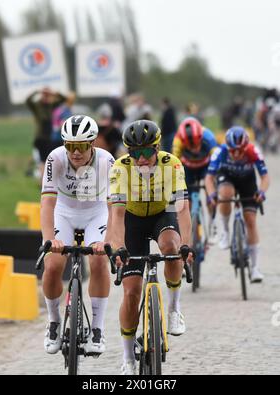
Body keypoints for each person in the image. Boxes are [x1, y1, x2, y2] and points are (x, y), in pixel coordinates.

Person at [109, 120, 194, 375]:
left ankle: (174, 308)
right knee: (132, 292)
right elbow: (117, 215)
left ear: (157, 148)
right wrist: (119, 247)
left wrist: (187, 244)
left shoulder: (172, 164)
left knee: (171, 246)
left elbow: (183, 209)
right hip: (132, 220)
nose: (142, 159)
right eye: (135, 153)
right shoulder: (120, 168)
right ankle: (127, 357)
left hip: (162, 213)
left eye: (147, 152)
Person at [41, 115, 115, 356]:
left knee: (98, 261)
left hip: (96, 212)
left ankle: (97, 328)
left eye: (81, 146)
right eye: (70, 146)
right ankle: (53, 321)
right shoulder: (55, 158)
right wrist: (49, 240)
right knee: (52, 265)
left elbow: (115, 206)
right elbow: (47, 204)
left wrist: (108, 240)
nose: (75, 152)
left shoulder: (107, 160)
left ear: (92, 143)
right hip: (65, 212)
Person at [205, 126, 270, 283]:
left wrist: (261, 192)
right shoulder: (220, 152)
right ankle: (226, 231)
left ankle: (254, 269)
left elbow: (265, 177)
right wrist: (212, 194)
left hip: (247, 181)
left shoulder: (253, 150)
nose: (236, 154)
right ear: (227, 147)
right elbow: (209, 178)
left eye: (240, 151)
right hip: (227, 178)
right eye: (232, 150)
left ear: (246, 147)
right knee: (226, 194)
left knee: (251, 220)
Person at [173, 117, 219, 244]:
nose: (193, 149)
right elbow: (174, 161)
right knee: (186, 200)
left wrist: (216, 176)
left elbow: (216, 157)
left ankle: (213, 222)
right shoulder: (178, 139)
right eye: (190, 146)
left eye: (196, 145)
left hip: (206, 167)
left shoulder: (208, 136)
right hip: (188, 168)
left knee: (211, 191)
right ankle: (191, 225)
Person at [26, 87, 67, 179]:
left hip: (52, 138)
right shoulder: (37, 106)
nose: (45, 97)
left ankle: (53, 180)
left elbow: (64, 99)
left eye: (47, 95)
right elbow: (28, 101)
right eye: (44, 95)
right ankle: (43, 182)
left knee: (54, 160)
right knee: (43, 161)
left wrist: (53, 93)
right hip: (41, 137)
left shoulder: (52, 105)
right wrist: (37, 91)